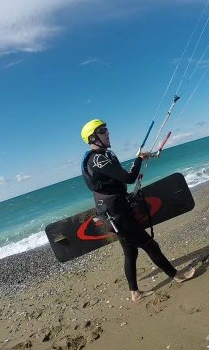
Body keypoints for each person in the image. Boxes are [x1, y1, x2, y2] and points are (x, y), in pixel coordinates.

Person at [80, 119, 195, 302]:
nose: (107, 133)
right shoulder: (97, 160)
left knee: (131, 252)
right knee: (150, 245)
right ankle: (176, 275)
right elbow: (129, 178)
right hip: (115, 215)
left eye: (107, 129)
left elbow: (118, 177)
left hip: (117, 210)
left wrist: (138, 161)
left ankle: (134, 292)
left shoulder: (106, 155)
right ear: (93, 137)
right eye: (102, 131)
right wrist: (139, 159)